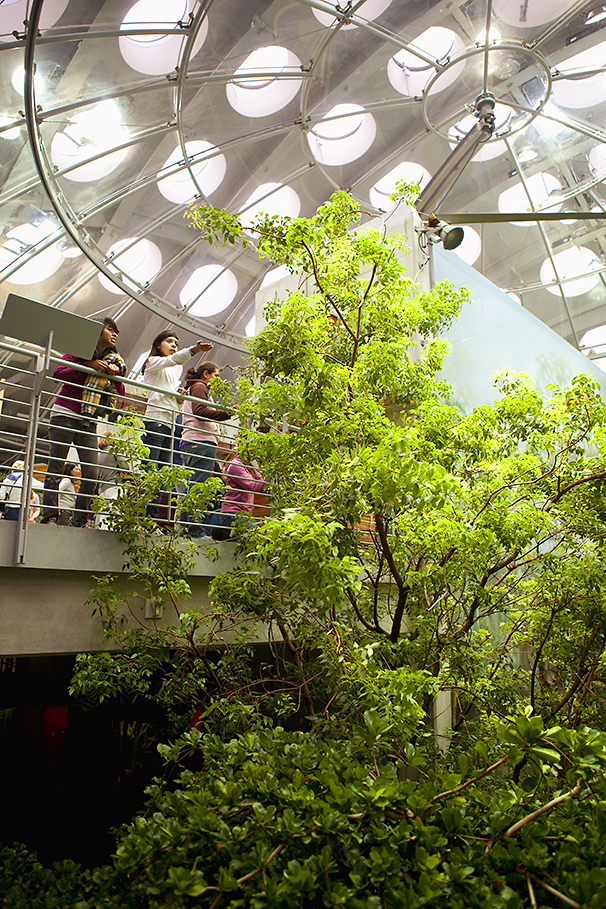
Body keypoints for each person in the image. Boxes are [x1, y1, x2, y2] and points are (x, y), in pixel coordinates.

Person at [41, 318, 126, 527]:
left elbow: (121, 395)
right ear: (97, 331)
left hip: (88, 420)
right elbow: (58, 373)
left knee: (90, 473)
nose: (114, 334)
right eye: (110, 329)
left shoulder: (115, 361)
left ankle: (78, 521)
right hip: (64, 413)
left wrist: (113, 375)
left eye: (116, 331)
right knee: (56, 465)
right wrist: (88, 366)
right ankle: (50, 515)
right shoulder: (78, 350)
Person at [140, 330, 213, 521]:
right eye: (169, 341)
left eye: (176, 342)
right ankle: (140, 518)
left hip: (169, 425)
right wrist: (194, 350)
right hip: (154, 422)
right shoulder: (153, 362)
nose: (173, 344)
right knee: (149, 472)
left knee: (162, 475)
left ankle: (152, 521)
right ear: (158, 344)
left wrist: (178, 398)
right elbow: (173, 360)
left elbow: (169, 396)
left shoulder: (173, 370)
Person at [179, 361, 232, 537]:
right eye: (215, 375)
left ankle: (185, 528)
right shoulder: (200, 386)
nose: (218, 380)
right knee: (198, 487)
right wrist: (226, 414)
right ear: (206, 374)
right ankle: (194, 530)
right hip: (199, 442)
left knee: (192, 487)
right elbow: (200, 411)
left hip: (196, 442)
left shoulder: (198, 388)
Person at [210, 447, 266, 541]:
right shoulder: (235, 465)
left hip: (242, 514)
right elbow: (253, 486)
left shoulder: (248, 466)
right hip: (233, 513)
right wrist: (269, 477)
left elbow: (260, 479)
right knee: (258, 538)